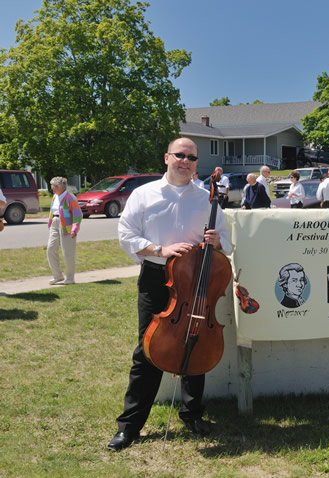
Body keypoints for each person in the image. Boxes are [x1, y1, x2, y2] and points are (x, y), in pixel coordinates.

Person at [109, 137, 231, 451]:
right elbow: (126, 234)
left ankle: (192, 414)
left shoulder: (208, 198)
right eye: (180, 155)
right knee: (147, 352)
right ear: (167, 157)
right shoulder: (143, 194)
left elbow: (227, 242)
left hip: (195, 281)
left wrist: (218, 240)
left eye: (191, 157)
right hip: (155, 277)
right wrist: (161, 249)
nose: (186, 161)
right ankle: (130, 426)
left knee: (195, 342)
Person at [47, 177, 82, 285]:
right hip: (55, 223)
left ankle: (70, 278)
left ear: (62, 187)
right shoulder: (55, 196)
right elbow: (53, 210)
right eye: (52, 186)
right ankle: (57, 276)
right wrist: (50, 222)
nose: (53, 188)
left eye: (55, 186)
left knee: (68, 253)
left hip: (67, 226)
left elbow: (77, 214)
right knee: (50, 249)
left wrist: (75, 228)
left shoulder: (70, 198)